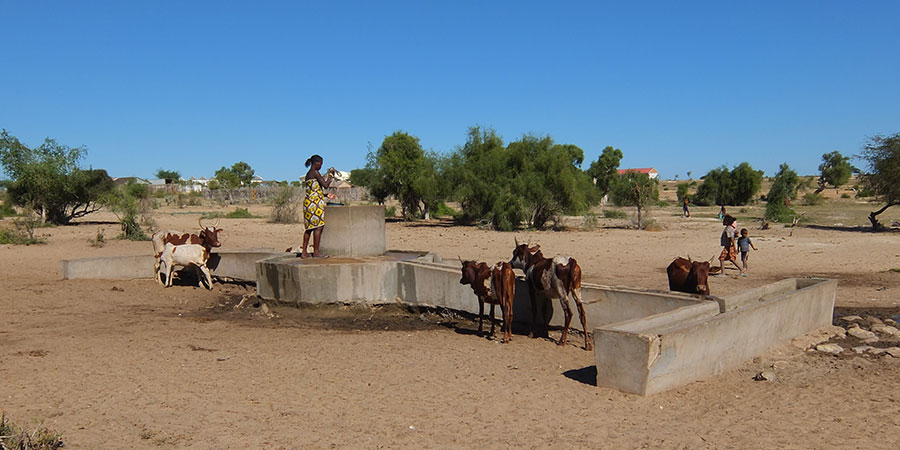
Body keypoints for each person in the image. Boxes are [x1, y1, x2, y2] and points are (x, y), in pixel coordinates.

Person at [299, 154, 334, 259]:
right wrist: (330, 176)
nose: (321, 166)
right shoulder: (315, 173)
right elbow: (326, 185)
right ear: (316, 163)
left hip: (308, 203)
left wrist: (325, 195)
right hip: (315, 204)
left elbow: (313, 191)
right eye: (321, 164)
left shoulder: (308, 174)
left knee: (309, 228)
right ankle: (316, 252)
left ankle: (304, 252)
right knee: (318, 227)